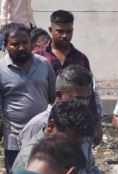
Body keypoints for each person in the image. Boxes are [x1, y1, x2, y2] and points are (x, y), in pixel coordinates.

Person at [33, 9, 103, 144]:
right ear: (50, 30)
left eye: (69, 31)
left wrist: (96, 124)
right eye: (60, 31)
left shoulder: (81, 58)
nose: (65, 35)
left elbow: (90, 93)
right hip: (45, 121)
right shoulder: (37, 57)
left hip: (75, 122)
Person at [0, 23, 56, 174]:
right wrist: (8, 128)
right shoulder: (1, 69)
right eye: (15, 44)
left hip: (42, 135)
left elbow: (53, 97)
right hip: (14, 138)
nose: (21, 47)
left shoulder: (44, 64)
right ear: (5, 45)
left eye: (25, 42)